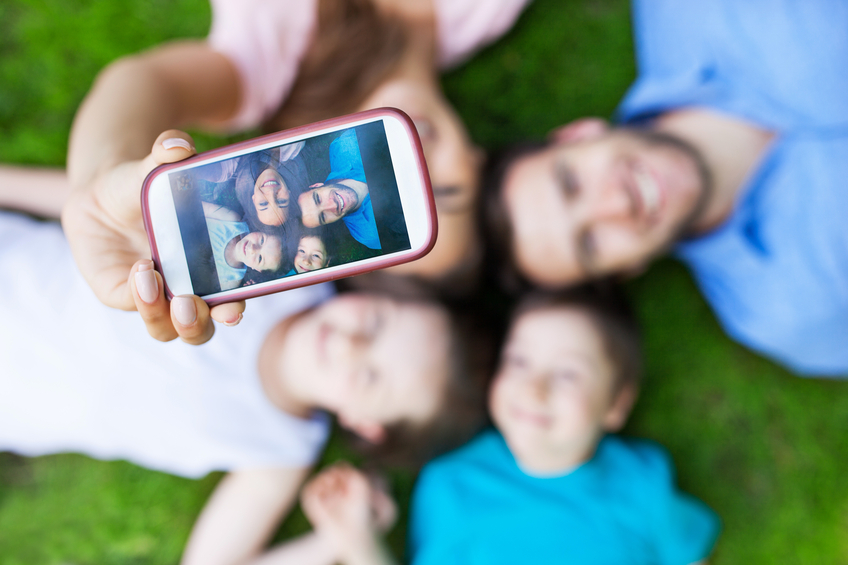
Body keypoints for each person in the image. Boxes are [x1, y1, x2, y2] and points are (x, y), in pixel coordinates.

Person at [0, 207, 491, 565]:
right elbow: (114, 215)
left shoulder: (278, 453)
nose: (348, 343)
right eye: (377, 322)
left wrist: (338, 540)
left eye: (369, 376)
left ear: (365, 425)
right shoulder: (285, 267)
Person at [60, 0, 531, 344]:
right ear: (476, 159)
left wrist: (97, 179)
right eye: (446, 191)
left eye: (376, 211)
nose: (417, 169)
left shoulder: (271, 68)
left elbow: (145, 82)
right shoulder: (483, 13)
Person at [487, 0, 848, 376]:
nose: (616, 203)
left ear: (579, 133)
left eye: (572, 183)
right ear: (627, 269)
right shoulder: (789, 314)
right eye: (590, 243)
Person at [295, 289, 721, 565]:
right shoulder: (449, 481)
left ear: (616, 404)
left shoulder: (642, 483)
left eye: (568, 374)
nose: (534, 389)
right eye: (519, 362)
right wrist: (359, 541)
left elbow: (689, 554)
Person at [297, 129, 381, 249]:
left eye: (318, 199)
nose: (332, 205)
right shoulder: (371, 234)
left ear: (317, 186)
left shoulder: (347, 145)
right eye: (323, 216)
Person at [201, 201, 286, 290]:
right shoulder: (232, 220)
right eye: (262, 240)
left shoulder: (232, 280)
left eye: (260, 258)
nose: (253, 248)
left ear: (257, 269)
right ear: (261, 230)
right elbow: (196, 209)